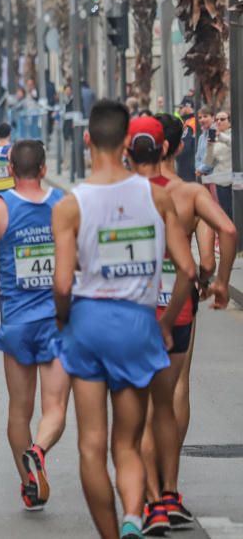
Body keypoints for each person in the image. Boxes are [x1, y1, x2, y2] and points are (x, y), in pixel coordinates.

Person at [51, 100, 195, 539]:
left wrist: (64, 321)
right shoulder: (156, 195)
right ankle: (136, 514)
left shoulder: (70, 206)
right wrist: (166, 322)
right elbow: (188, 270)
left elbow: (61, 284)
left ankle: (114, 533)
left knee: (91, 444)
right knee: (128, 443)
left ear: (88, 139)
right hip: (138, 323)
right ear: (128, 143)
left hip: (90, 322)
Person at [125, 114, 236, 533]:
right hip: (178, 308)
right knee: (171, 399)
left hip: (131, 312)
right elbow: (226, 228)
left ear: (128, 151)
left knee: (141, 407)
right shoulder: (187, 193)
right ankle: (168, 495)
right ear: (171, 149)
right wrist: (220, 281)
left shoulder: (116, 195)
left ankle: (151, 500)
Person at [0, 140, 69, 511]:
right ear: (43, 169)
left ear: (8, 172)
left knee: (18, 410)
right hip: (55, 321)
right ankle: (39, 451)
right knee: (54, 408)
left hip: (17, 322)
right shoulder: (62, 205)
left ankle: (29, 485)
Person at [202, 110, 232, 217]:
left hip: (233, 181)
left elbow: (233, 143)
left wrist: (221, 137)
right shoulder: (216, 137)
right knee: (225, 213)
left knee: (235, 212)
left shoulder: (233, 134)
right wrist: (210, 145)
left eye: (222, 119)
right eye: (216, 120)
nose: (218, 122)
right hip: (220, 181)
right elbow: (208, 161)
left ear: (230, 122)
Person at [175, 97, 196, 183]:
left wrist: (176, 155)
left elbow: (185, 146)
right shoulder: (188, 121)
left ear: (187, 107)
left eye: (181, 107)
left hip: (188, 166)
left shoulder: (191, 123)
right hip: (190, 165)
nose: (178, 110)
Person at [194, 106, 214, 181]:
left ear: (212, 117)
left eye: (205, 116)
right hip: (204, 177)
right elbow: (198, 157)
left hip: (214, 177)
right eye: (200, 117)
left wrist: (201, 170)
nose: (202, 119)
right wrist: (198, 169)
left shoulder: (214, 133)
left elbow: (211, 158)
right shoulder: (201, 137)